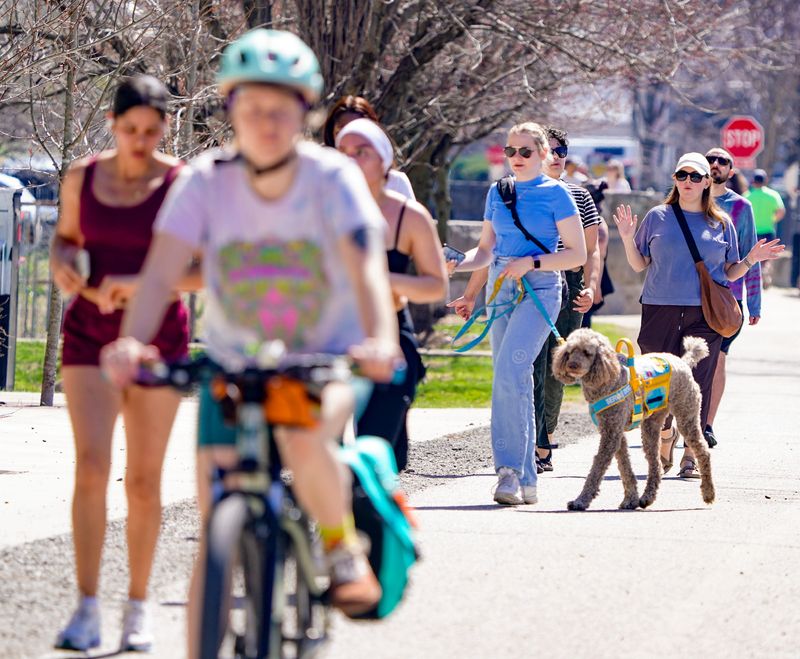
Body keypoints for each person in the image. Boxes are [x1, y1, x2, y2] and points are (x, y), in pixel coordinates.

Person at [99, 29, 401, 657]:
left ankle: (341, 549)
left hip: (325, 360)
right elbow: (160, 273)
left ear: (305, 114)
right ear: (230, 109)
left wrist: (379, 337)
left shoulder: (331, 180)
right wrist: (131, 343)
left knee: (299, 434)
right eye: (251, 108)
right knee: (217, 523)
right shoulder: (206, 181)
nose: (265, 122)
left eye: (281, 109)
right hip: (234, 366)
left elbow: (367, 265)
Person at [49, 74, 195, 652]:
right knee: (89, 465)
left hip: (159, 338)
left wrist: (143, 283)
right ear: (113, 124)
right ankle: (86, 607)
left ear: (165, 129)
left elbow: (203, 270)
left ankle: (137, 606)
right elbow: (64, 238)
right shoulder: (82, 176)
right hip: (88, 332)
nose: (139, 141)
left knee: (142, 479)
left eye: (151, 132)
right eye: (130, 129)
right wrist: (63, 262)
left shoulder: (182, 184)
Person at [615, 153, 784, 479]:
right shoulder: (657, 217)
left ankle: (691, 453)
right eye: (682, 175)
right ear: (675, 179)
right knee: (657, 383)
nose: (688, 182)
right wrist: (625, 236)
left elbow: (731, 271)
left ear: (708, 181)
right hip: (659, 309)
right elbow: (639, 265)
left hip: (704, 315)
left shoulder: (722, 222)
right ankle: (665, 434)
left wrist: (752, 259)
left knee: (699, 382)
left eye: (695, 176)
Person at [448, 122, 586, 506]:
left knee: (512, 369)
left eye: (526, 151)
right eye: (511, 151)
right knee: (511, 378)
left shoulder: (557, 194)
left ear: (543, 154)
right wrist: (457, 264)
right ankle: (524, 479)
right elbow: (486, 250)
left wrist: (532, 262)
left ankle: (507, 473)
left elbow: (577, 254)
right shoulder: (498, 191)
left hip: (540, 289)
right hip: (500, 285)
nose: (517, 158)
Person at [336, 118, 447, 470]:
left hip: (390, 338)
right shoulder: (320, 210)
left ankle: (376, 518)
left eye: (362, 152)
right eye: (343, 152)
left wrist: (381, 280)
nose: (351, 160)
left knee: (378, 457)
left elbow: (436, 286)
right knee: (324, 456)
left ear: (385, 161)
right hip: (332, 337)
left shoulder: (409, 217)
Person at [533, 127, 602, 471]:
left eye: (563, 152)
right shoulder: (519, 193)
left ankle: (544, 442)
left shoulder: (579, 195)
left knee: (558, 365)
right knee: (527, 361)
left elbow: (592, 250)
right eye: (552, 150)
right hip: (530, 280)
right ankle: (529, 440)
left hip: (569, 281)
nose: (558, 157)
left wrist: (590, 286)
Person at [704, 147, 761, 448]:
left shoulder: (741, 208)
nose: (715, 164)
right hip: (689, 297)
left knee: (719, 360)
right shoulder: (687, 201)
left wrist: (754, 302)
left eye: (722, 161)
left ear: (730, 169)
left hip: (728, 298)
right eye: (710, 159)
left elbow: (752, 252)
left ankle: (707, 425)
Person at [322, 95, 416, 199]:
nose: (349, 137)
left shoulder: (396, 183)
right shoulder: (319, 181)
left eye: (358, 131)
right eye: (341, 132)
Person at [745, 168, 785, 288]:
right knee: (767, 256)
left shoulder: (747, 196)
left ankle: (754, 277)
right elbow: (781, 211)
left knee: (753, 256)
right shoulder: (773, 195)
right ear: (765, 180)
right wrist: (772, 220)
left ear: (753, 181)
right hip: (768, 231)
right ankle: (765, 270)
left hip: (753, 232)